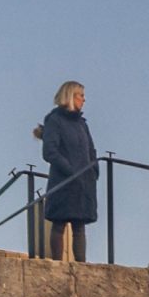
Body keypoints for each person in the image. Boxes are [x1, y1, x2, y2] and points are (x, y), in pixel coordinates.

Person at [33, 81, 98, 260]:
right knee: (59, 222)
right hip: (63, 180)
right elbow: (50, 151)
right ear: (70, 96)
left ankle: (81, 265)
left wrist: (94, 170)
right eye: (81, 95)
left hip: (84, 181)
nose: (84, 100)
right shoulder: (55, 120)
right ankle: (58, 263)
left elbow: (91, 149)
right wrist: (70, 171)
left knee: (79, 225)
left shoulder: (82, 124)